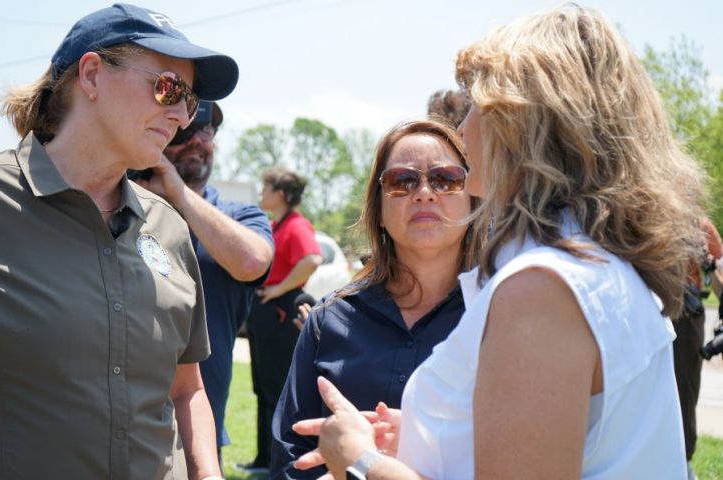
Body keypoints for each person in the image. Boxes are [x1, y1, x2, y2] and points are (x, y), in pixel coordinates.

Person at [292, 5, 704, 479]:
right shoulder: (592, 264)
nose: (462, 130)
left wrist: (360, 460)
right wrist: (442, 433)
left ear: (524, 124)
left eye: (476, 107)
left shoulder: (544, 289)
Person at [0, 4, 239, 479]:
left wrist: (208, 475)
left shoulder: (168, 229)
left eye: (189, 101)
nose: (182, 116)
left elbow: (186, 388)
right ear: (91, 75)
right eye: (169, 87)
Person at [270, 119, 473, 479]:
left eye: (445, 179)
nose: (425, 192)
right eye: (402, 181)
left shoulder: (498, 318)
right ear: (377, 210)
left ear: (472, 198)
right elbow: (290, 458)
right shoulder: (328, 320)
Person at [136, 100, 274, 471]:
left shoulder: (239, 216)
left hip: (200, 425)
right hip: (119, 423)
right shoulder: (122, 204)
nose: (198, 141)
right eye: (185, 133)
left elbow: (252, 263)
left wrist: (179, 194)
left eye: (207, 132)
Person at [240, 166, 323, 474]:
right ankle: (263, 460)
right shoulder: (276, 225)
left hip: (281, 313)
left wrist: (279, 288)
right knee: (263, 389)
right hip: (265, 313)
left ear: (282, 194)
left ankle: (278, 463)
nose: (261, 193)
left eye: (266, 188)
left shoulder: (297, 225)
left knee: (277, 390)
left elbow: (312, 259)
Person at [674, 217, 723, 478]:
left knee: (684, 393)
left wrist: (707, 262)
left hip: (686, 318)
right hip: (649, 312)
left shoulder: (701, 228)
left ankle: (684, 466)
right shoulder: (644, 216)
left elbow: (721, 288)